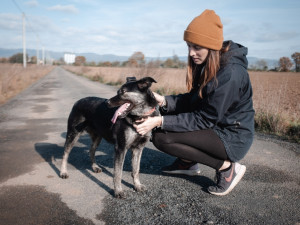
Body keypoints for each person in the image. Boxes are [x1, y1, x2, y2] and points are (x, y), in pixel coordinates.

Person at [133, 9, 255, 196]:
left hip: (232, 136)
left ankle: (226, 169)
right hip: (216, 127)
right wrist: (164, 100)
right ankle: (188, 162)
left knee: (162, 136)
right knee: (163, 114)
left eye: (197, 47)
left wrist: (160, 121)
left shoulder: (230, 74)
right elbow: (193, 101)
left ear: (211, 46)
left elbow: (204, 119)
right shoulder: (208, 64)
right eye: (189, 46)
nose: (191, 53)